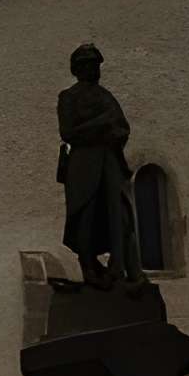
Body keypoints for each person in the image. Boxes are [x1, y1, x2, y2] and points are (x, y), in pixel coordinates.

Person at [56, 43, 143, 287]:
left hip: (110, 162)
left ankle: (122, 270)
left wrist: (106, 129)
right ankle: (90, 270)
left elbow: (122, 128)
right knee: (85, 215)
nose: (94, 69)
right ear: (78, 69)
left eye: (96, 64)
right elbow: (69, 132)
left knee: (121, 216)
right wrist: (101, 124)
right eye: (88, 64)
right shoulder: (69, 97)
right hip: (83, 165)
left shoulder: (106, 97)